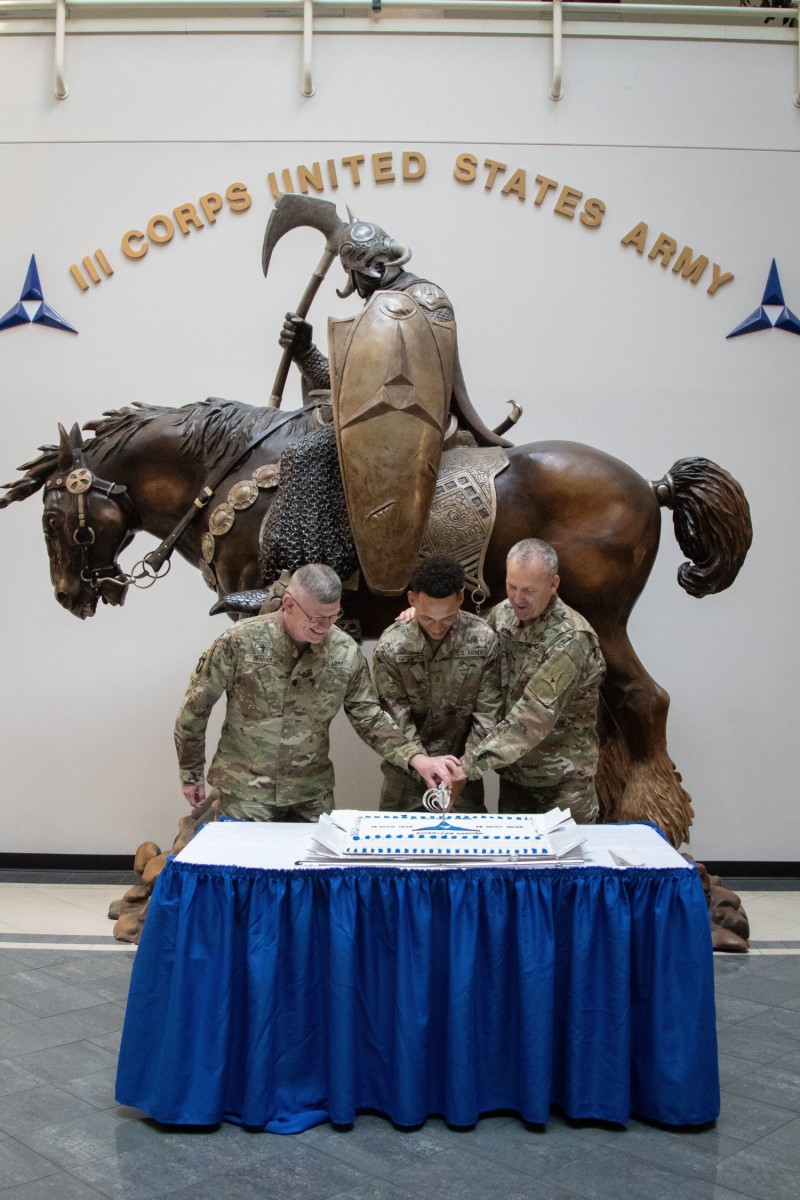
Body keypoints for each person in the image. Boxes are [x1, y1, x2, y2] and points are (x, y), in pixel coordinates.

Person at [175, 563, 458, 822]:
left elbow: (369, 716)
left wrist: (416, 758)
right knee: (248, 874)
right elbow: (194, 709)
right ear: (288, 604)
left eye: (332, 617)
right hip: (246, 792)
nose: (325, 627)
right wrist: (191, 773)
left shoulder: (344, 651)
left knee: (313, 874)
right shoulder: (239, 642)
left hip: (310, 793)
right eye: (316, 618)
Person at [452, 538, 606, 823]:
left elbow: (533, 716)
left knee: (569, 866)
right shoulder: (503, 615)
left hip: (563, 786)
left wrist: (470, 765)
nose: (517, 598)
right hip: (514, 780)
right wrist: (419, 620)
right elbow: (470, 646)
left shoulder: (571, 638)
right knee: (515, 865)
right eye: (512, 586)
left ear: (553, 584)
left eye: (528, 590)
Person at [372, 555, 503, 813]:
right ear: (412, 600)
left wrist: (464, 770)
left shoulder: (483, 640)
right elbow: (393, 718)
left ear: (461, 598)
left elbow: (488, 714)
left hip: (463, 775)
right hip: (407, 776)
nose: (437, 627)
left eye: (447, 618)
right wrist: (421, 763)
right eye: (428, 618)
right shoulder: (392, 646)